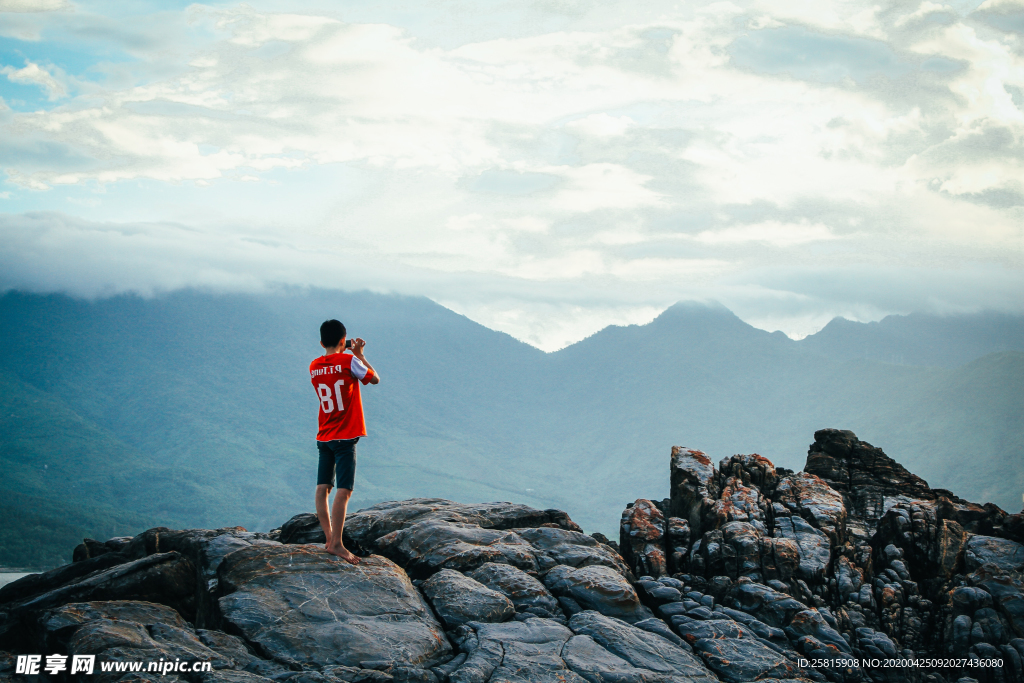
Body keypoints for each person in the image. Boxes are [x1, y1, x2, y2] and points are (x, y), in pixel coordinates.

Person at [309, 319, 380, 564]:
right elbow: (374, 379)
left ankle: (329, 538)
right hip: (345, 435)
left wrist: (343, 349)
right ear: (343, 341)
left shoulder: (314, 366)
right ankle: (337, 545)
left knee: (323, 487)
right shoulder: (349, 361)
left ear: (321, 342)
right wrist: (359, 354)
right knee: (344, 490)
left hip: (324, 434)